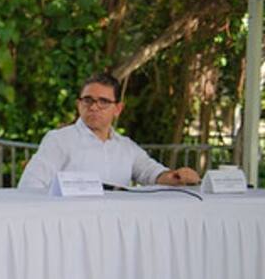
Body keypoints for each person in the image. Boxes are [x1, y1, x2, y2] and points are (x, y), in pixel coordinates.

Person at [18, 72, 200, 191]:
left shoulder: (126, 147)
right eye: (87, 100)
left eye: (103, 102)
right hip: (70, 228)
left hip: (117, 228)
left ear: (118, 109)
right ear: (78, 104)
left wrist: (175, 177)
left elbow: (151, 173)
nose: (94, 107)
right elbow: (30, 186)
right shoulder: (59, 140)